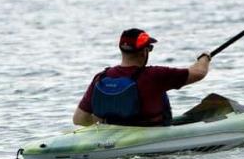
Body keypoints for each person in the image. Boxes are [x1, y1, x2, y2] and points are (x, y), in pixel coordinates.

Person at [73, 28, 211, 127]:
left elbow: (79, 119)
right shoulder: (155, 75)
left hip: (113, 136)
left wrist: (107, 126)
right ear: (144, 52)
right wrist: (204, 57)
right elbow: (198, 72)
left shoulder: (101, 78)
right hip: (153, 138)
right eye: (149, 48)